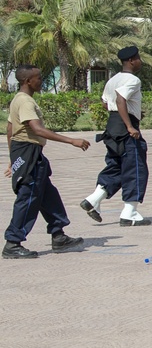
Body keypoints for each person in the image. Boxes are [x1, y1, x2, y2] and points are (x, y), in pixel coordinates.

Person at [4, 64, 90, 259]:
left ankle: (58, 235)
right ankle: (13, 242)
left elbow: (10, 129)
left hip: (26, 152)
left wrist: (13, 159)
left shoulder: (19, 99)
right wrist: (72, 141)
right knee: (29, 196)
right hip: (28, 151)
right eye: (39, 78)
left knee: (48, 195)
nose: (41, 81)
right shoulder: (25, 101)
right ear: (28, 81)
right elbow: (38, 130)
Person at [79, 45, 152, 226]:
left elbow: (106, 103)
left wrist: (132, 113)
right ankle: (130, 213)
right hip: (126, 130)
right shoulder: (133, 80)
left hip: (112, 128)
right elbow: (120, 99)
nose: (140, 61)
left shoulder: (112, 80)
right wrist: (129, 125)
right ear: (131, 61)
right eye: (138, 58)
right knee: (136, 169)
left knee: (116, 166)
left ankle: (93, 199)